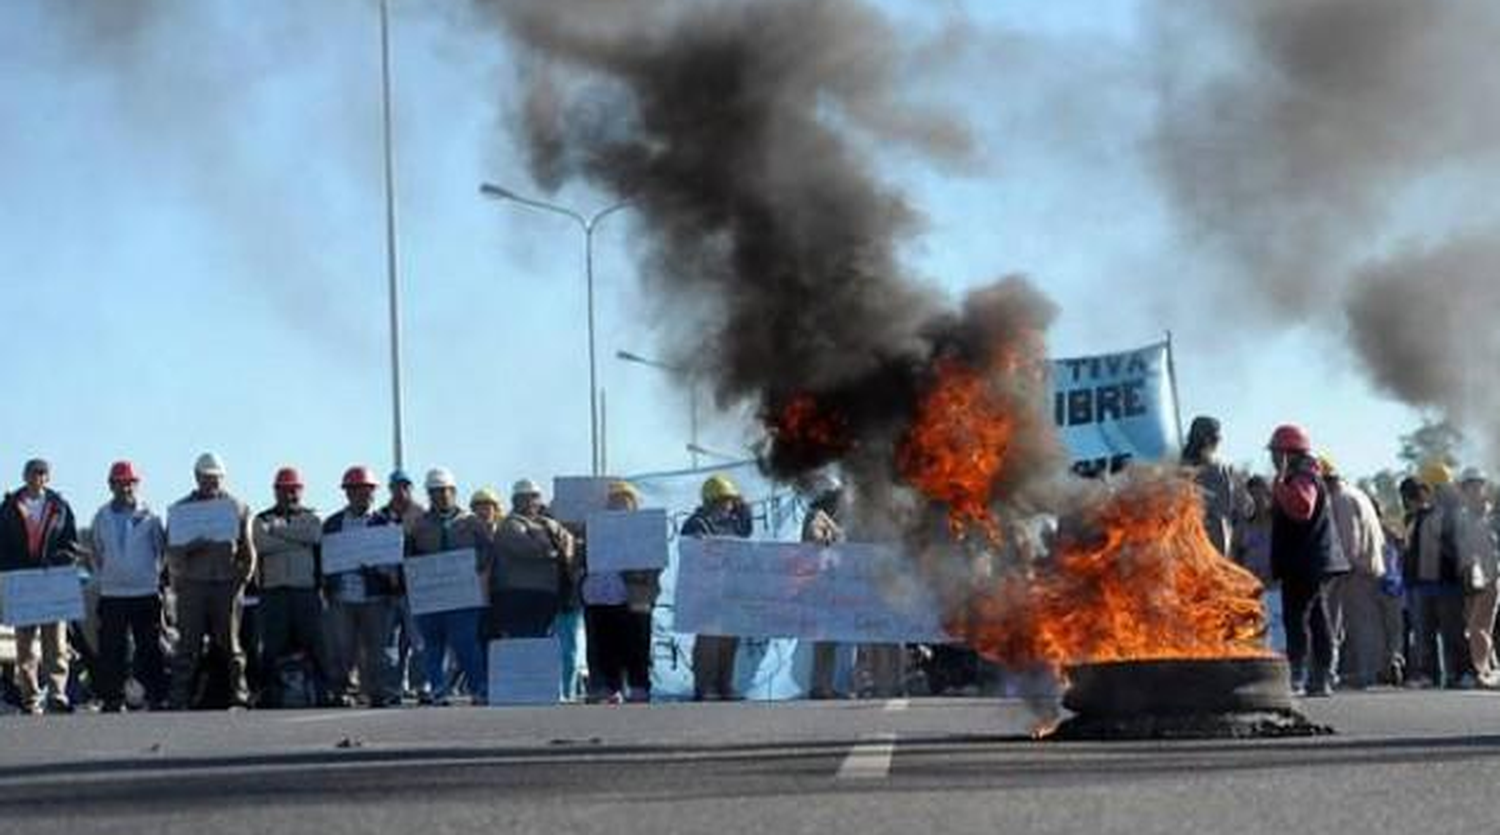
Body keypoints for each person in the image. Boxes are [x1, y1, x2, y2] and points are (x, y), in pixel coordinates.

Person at [167, 453, 256, 710]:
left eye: (216, 478)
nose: (212, 483)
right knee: (187, 645)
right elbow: (171, 551)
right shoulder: (181, 510)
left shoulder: (237, 507)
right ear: (197, 478)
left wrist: (243, 579)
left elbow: (248, 549)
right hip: (192, 584)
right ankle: (179, 697)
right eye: (207, 478)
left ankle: (240, 694)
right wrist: (193, 546)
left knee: (231, 645)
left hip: (226, 584)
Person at [1266, 425, 1349, 697]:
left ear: (1289, 453)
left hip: (1307, 562)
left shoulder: (1303, 476)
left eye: (1277, 452)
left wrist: (1279, 487)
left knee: (1297, 617)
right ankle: (1320, 677)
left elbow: (1302, 509)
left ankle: (1299, 675)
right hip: (1309, 561)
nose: (1273, 458)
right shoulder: (1303, 474)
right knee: (1315, 616)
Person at [0, 459, 81, 714]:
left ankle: (57, 693)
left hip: (51, 580)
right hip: (22, 582)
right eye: (34, 473)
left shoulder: (59, 505)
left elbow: (71, 541)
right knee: (25, 644)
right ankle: (30, 697)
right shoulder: (10, 506)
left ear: (48, 477)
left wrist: (60, 559)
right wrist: (10, 568)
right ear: (25, 476)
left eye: (43, 473)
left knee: (55, 641)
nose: (39, 477)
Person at [89, 461, 169, 712]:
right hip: (112, 592)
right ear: (111, 485)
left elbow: (161, 551)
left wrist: (151, 576)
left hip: (144, 591)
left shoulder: (151, 517)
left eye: (130, 483)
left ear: (137, 484)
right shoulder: (101, 517)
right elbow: (97, 551)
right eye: (120, 483)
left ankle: (155, 695)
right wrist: (109, 574)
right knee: (112, 648)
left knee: (150, 646)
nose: (126, 488)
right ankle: (113, 698)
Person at [406, 467, 490, 705]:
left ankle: (478, 688)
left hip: (463, 594)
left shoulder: (471, 522)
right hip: (431, 596)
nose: (441, 496)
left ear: (454, 492)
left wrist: (475, 567)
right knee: (432, 644)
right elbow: (409, 555)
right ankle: (438, 689)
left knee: (466, 642)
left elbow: (487, 550)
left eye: (445, 491)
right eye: (435, 492)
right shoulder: (419, 524)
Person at [323, 466, 402, 708]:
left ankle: (379, 692)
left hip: (375, 596)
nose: (363, 495)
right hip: (342, 596)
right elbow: (325, 561)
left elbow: (395, 565)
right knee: (342, 649)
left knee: (378, 649)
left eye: (368, 490)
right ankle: (345, 692)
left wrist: (383, 570)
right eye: (357, 490)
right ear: (347, 493)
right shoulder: (333, 524)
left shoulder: (386, 523)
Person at [491, 479, 579, 697]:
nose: (530, 502)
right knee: (521, 639)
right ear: (515, 500)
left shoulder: (548, 523)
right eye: (525, 498)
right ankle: (519, 689)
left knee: (542, 640)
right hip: (517, 593)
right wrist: (553, 551)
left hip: (547, 593)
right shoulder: (510, 524)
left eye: (534, 497)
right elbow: (526, 549)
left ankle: (541, 687)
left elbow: (569, 544)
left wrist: (561, 548)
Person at [251, 467, 328, 708]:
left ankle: (322, 692)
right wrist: (297, 541)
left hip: (306, 591)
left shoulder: (312, 517)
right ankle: (268, 694)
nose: (289, 495)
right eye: (284, 490)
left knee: (315, 645)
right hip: (273, 593)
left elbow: (314, 535)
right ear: (276, 492)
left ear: (301, 491)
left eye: (294, 490)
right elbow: (261, 543)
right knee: (272, 648)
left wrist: (278, 531)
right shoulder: (261, 519)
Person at [582, 481, 658, 704]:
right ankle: (610, 686)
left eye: (625, 500)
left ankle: (638, 686)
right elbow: (582, 555)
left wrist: (642, 577)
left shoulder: (645, 527)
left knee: (637, 642)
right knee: (606, 642)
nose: (620, 504)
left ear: (633, 503)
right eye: (615, 500)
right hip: (600, 592)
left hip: (635, 593)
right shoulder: (594, 526)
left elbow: (655, 560)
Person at [1321, 457, 1391, 689]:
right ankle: (1368, 671)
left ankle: (1364, 673)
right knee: (1365, 622)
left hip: (1353, 570)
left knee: (1354, 623)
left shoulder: (1340, 500)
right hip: (1366, 567)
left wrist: (1337, 570)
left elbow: (1348, 541)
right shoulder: (1356, 494)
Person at [683, 474, 753, 701]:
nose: (728, 505)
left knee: (730, 640)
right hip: (706, 593)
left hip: (730, 591)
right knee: (708, 642)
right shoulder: (697, 522)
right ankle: (705, 686)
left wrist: (743, 503)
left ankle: (725, 685)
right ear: (711, 501)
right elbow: (690, 549)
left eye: (730, 501)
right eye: (724, 500)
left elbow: (747, 528)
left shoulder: (734, 523)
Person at [1404, 462, 1470, 688]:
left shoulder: (1456, 515)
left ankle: (1461, 673)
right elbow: (1412, 551)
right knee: (1426, 634)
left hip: (1448, 585)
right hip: (1425, 586)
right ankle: (1429, 675)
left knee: (1453, 633)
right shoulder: (1420, 516)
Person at [803, 473, 849, 700]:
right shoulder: (817, 515)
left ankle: (824, 684)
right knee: (824, 640)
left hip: (831, 587)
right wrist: (825, 537)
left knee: (830, 640)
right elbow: (814, 537)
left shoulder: (832, 518)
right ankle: (820, 686)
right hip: (819, 587)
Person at [382, 469, 427, 702]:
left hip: (414, 590)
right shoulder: (380, 516)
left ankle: (422, 686)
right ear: (390, 489)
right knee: (390, 646)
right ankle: (393, 689)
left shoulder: (422, 515)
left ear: (411, 488)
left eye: (405, 486)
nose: (401, 491)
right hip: (388, 592)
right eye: (397, 486)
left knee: (419, 642)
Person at [1181, 416, 1247, 557]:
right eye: (1217, 438)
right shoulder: (1221, 471)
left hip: (1186, 554)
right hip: (1211, 554)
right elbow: (1246, 508)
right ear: (1208, 440)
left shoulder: (1172, 470)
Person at [1232, 475, 1283, 652]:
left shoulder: (1278, 524)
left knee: (1277, 637)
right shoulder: (1244, 526)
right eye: (1252, 495)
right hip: (1252, 590)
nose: (1257, 500)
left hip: (1276, 589)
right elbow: (1235, 556)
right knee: (1255, 635)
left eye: (1260, 494)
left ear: (1268, 494)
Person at [1458, 468, 1499, 688]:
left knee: (1478, 627)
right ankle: (1489, 668)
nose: (1473, 490)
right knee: (1476, 628)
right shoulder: (1463, 519)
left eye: (1477, 485)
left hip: (1492, 577)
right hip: (1471, 578)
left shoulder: (1492, 518)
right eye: (1468, 487)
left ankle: (1482, 671)